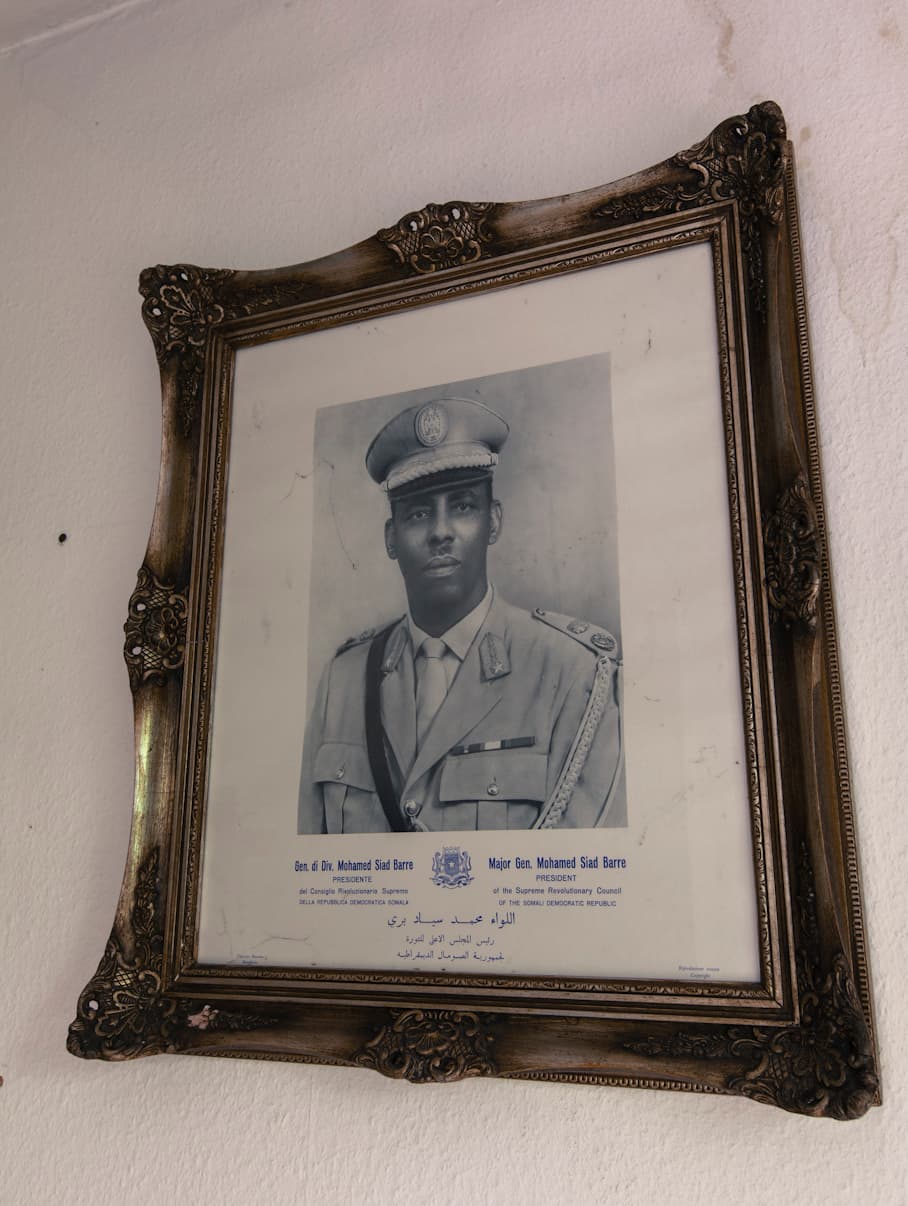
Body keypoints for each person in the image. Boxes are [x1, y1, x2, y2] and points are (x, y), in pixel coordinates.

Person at [298, 397, 623, 833]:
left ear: (493, 521)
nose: (440, 531)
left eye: (464, 506)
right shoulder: (343, 681)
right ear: (391, 538)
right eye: (417, 513)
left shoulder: (571, 672)